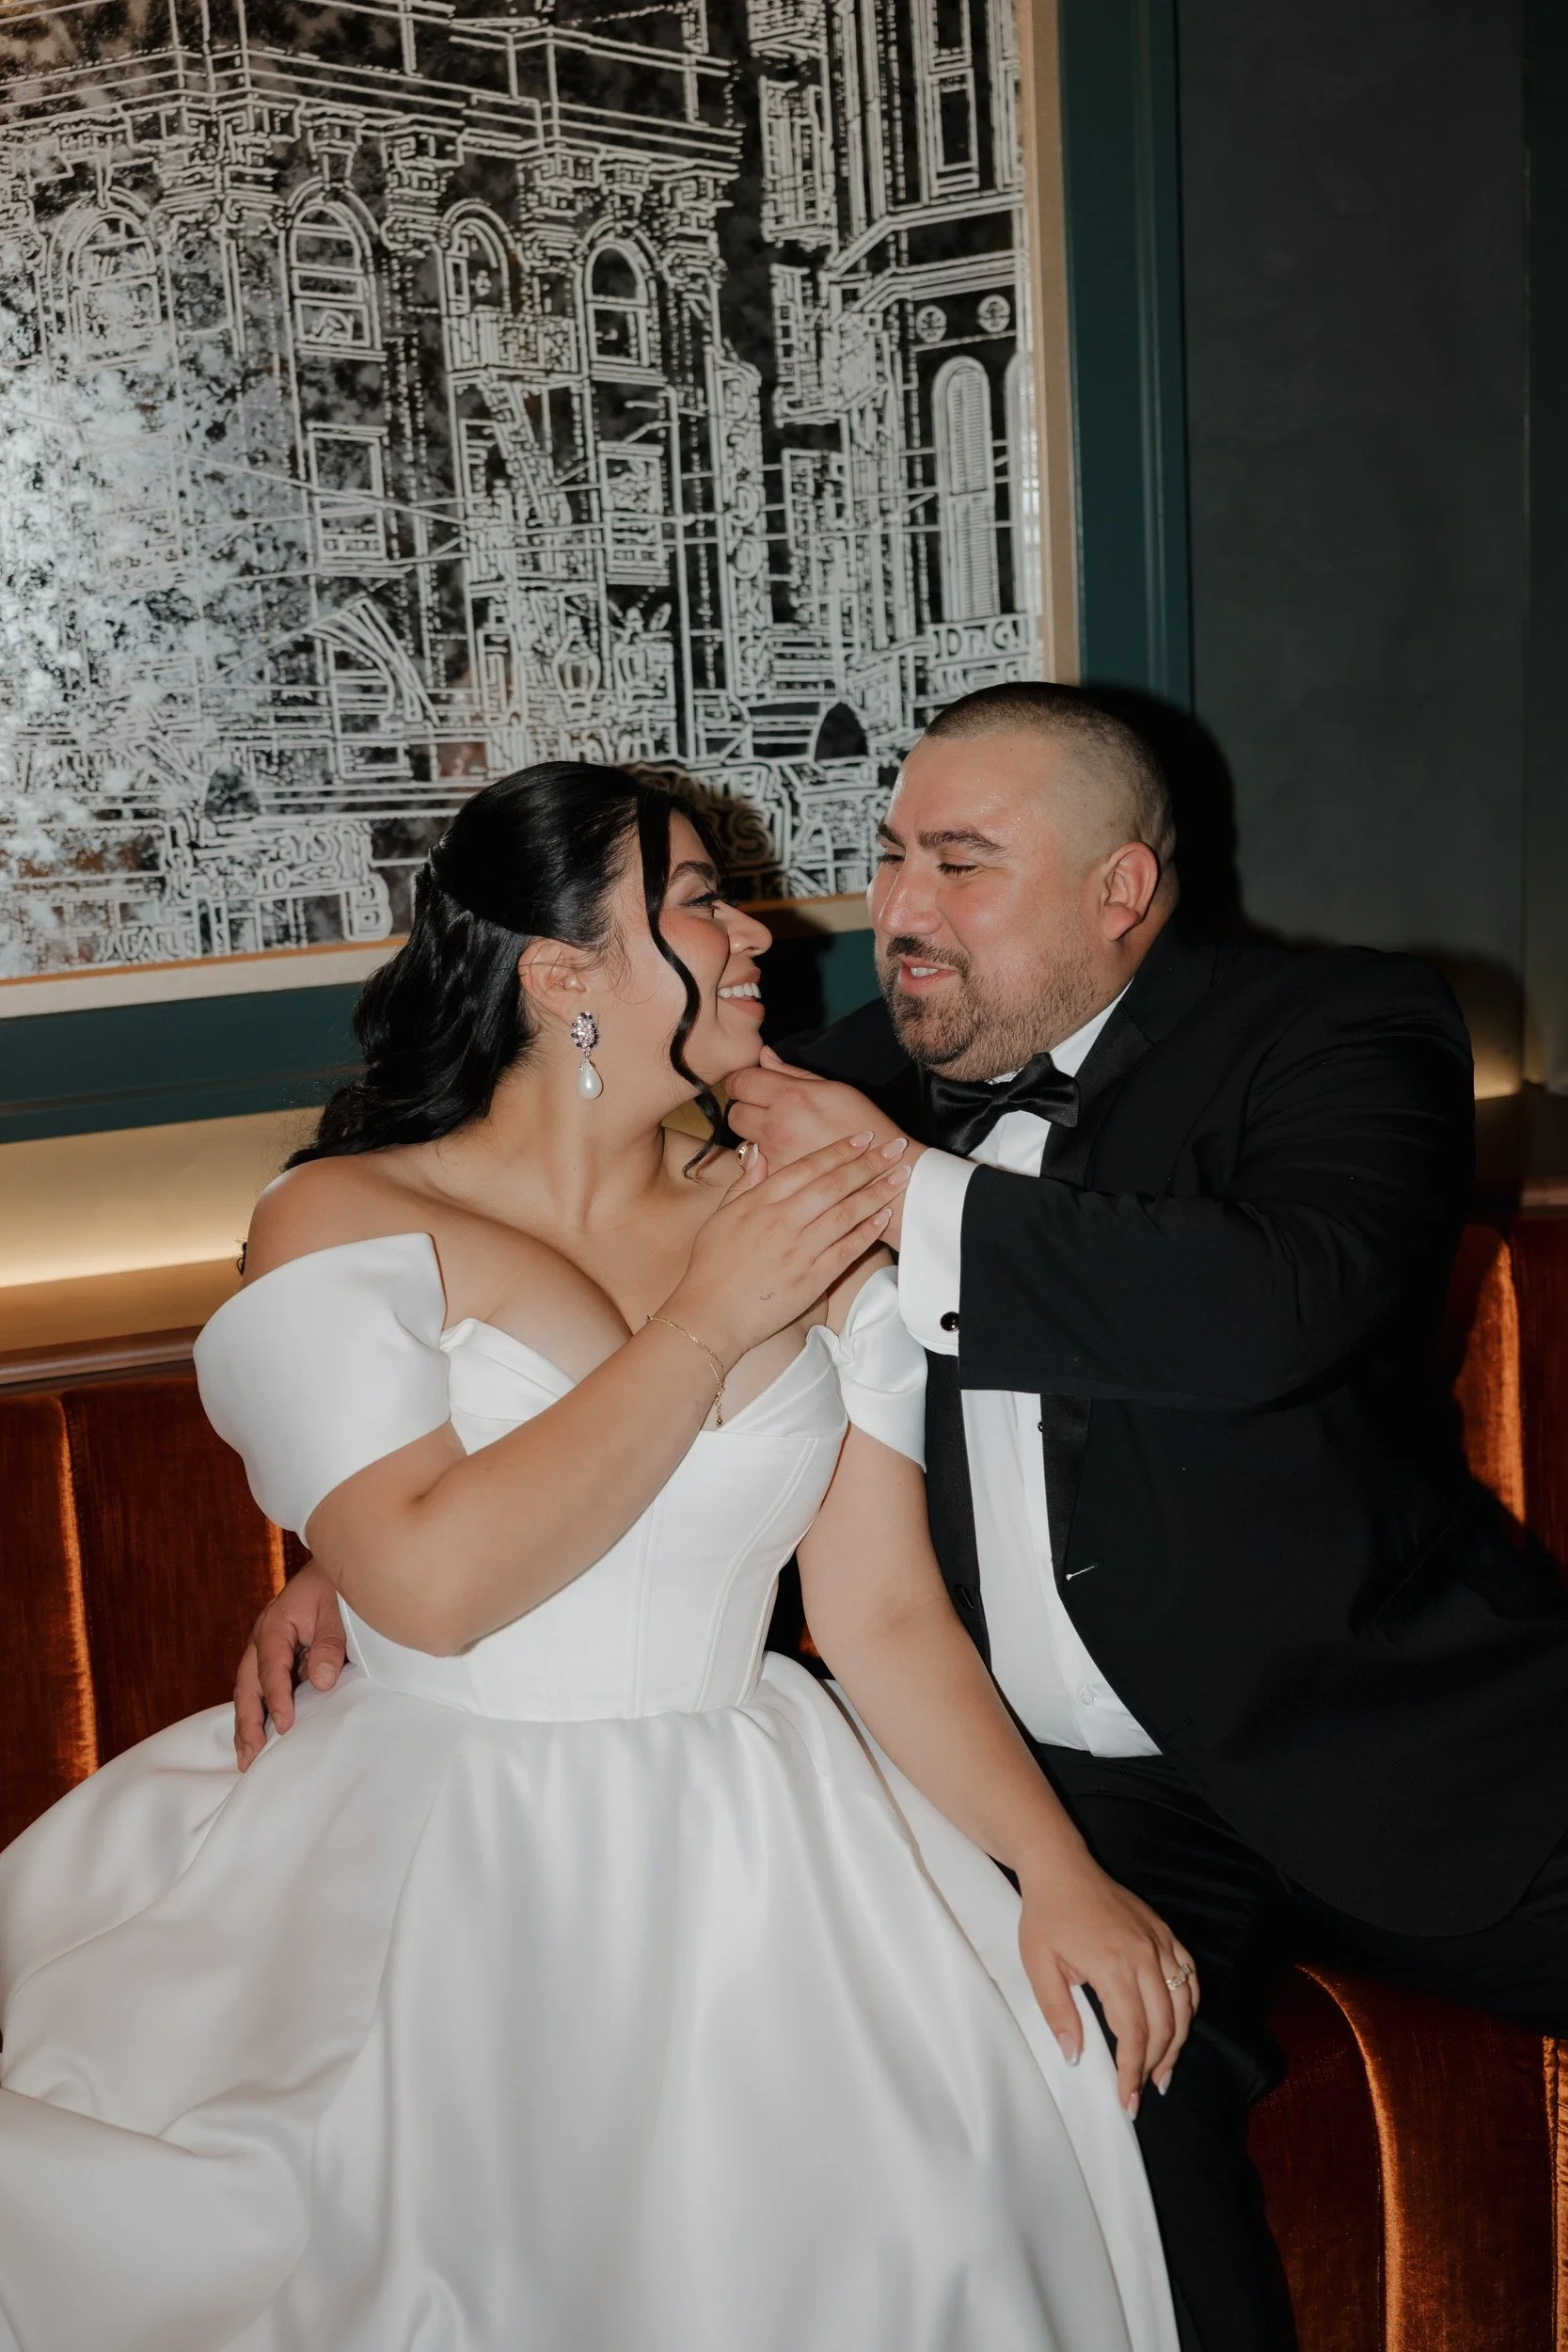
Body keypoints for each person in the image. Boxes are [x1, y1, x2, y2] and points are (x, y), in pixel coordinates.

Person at [0, 762, 1183, 2352]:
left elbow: (881, 1612)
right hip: (433, 1839)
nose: (757, 930)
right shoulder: (345, 1219)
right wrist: (706, 1323)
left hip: (762, 1833)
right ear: (561, 975)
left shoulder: (803, 1202)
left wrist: (1058, 1875)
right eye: (698, 899)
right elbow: (427, 1584)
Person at [712, 681, 1568, 2352]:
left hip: (1395, 1724)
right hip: (1070, 1803)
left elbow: (1272, 1311)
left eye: (962, 863)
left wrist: (899, 1190)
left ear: (1121, 890)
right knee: (1079, 2130)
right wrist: (362, 1511)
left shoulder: (1339, 1029)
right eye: (890, 858)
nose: (894, 912)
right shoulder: (835, 1079)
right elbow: (498, 1174)